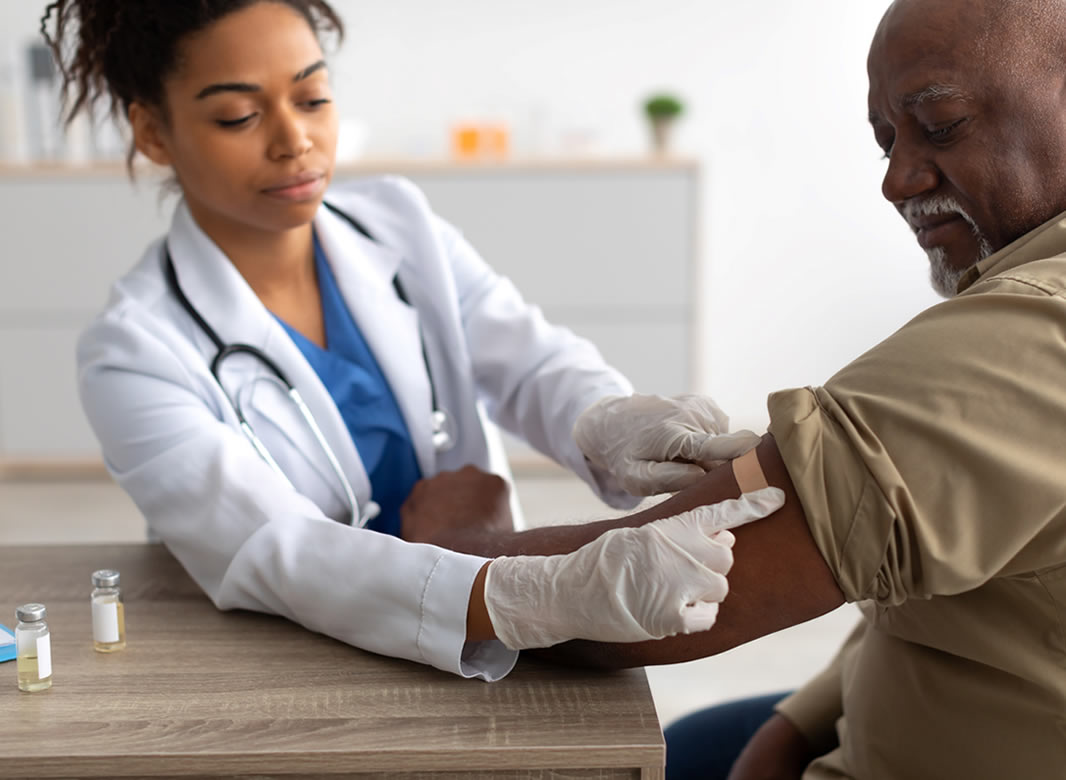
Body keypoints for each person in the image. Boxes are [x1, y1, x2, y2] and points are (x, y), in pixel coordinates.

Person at [407, 0, 1066, 776]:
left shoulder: (1030, 333)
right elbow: (965, 587)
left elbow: (632, 607)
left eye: (942, 123)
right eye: (886, 140)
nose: (897, 179)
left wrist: (445, 543)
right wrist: (791, 727)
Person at [48, 0, 775, 681]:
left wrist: (604, 420)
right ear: (151, 132)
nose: (294, 140)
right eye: (239, 116)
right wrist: (537, 593)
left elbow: (526, 359)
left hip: (479, 619)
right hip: (294, 666)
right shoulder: (132, 354)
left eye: (312, 98)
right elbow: (272, 552)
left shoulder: (398, 223)